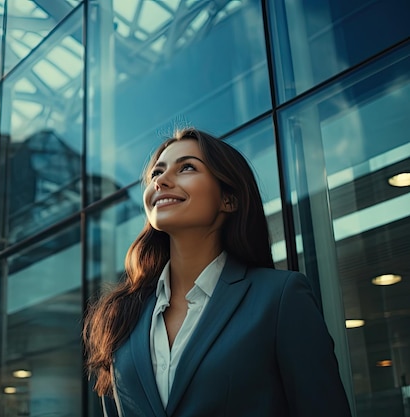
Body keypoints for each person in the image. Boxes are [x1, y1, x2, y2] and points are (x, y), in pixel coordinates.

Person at [83, 128, 352, 416]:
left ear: (229, 199)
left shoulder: (280, 298)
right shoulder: (122, 315)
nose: (160, 180)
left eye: (186, 167)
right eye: (156, 173)